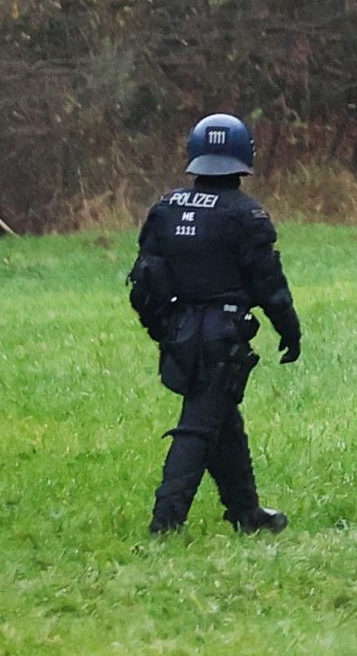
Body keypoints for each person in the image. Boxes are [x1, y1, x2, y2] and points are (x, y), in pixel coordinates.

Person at [128, 113, 302, 535]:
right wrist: (289, 329)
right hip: (221, 336)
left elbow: (144, 283)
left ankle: (247, 514)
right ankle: (165, 524)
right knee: (198, 428)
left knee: (223, 424)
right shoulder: (247, 215)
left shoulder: (165, 209)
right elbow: (268, 284)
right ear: (244, 156)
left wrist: (163, 331)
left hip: (181, 329)